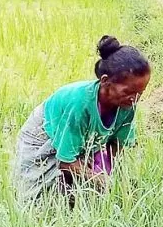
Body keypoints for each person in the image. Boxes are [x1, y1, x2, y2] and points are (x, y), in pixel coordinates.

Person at [12, 35, 151, 207]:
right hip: (45, 132)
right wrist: (99, 179)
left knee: (83, 192)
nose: (135, 99)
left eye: (140, 93)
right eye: (128, 92)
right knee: (37, 200)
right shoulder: (80, 105)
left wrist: (114, 179)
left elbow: (117, 145)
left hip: (79, 135)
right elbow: (66, 161)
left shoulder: (127, 104)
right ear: (105, 81)